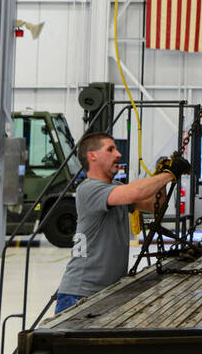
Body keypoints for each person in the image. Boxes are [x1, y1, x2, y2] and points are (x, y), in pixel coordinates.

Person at [54, 133, 184, 316]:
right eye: (110, 149)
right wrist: (167, 175)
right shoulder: (89, 188)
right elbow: (135, 193)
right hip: (81, 295)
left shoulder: (113, 188)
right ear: (92, 156)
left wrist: (160, 181)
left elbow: (154, 205)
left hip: (107, 293)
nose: (118, 154)